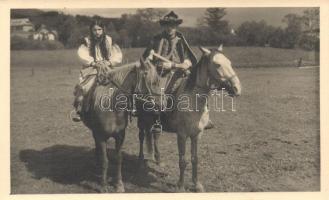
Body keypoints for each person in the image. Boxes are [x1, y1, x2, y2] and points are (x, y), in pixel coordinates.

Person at [141, 11, 214, 132]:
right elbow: (147, 58)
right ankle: (157, 122)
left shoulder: (180, 40)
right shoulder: (156, 40)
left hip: (181, 73)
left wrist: (186, 63)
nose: (170, 28)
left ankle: (205, 117)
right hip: (161, 73)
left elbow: (188, 57)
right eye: (167, 25)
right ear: (164, 26)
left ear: (176, 26)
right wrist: (154, 63)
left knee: (200, 88)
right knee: (159, 95)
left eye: (173, 25)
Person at [71, 20, 123, 122]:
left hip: (108, 67)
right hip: (92, 68)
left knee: (122, 83)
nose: (97, 32)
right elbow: (82, 54)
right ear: (91, 30)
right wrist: (92, 63)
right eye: (94, 30)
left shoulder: (109, 40)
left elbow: (117, 54)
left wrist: (110, 62)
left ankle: (128, 107)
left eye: (99, 29)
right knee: (85, 86)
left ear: (103, 30)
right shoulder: (87, 41)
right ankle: (79, 109)